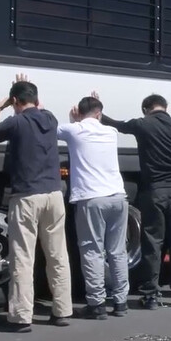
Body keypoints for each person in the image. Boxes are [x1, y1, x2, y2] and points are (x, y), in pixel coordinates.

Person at [0, 74, 73, 331]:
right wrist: (26, 89)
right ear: (36, 99)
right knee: (57, 254)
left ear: (14, 102)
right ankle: (62, 311)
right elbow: (38, 106)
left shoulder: (16, 122)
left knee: (23, 256)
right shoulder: (51, 119)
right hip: (54, 194)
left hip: (27, 195)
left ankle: (22, 316)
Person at [99, 93, 171, 309]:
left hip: (154, 192)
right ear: (166, 107)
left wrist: (98, 110)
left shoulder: (142, 124)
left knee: (152, 242)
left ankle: (150, 295)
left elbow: (116, 125)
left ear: (145, 108)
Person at [58, 96, 129, 320]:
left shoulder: (73, 130)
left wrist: (74, 120)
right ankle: (120, 302)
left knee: (92, 251)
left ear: (79, 112)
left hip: (91, 198)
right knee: (117, 251)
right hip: (118, 196)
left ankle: (97, 303)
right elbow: (102, 120)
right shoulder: (111, 133)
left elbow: (49, 131)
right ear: (99, 113)